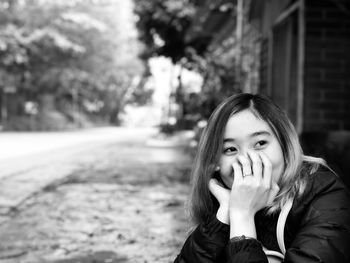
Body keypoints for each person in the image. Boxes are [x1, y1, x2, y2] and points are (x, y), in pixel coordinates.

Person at [174, 93, 350, 263]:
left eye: (260, 144)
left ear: (284, 145)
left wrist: (243, 216)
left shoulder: (326, 195)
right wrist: (225, 215)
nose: (248, 161)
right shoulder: (221, 199)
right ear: (215, 163)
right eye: (230, 149)